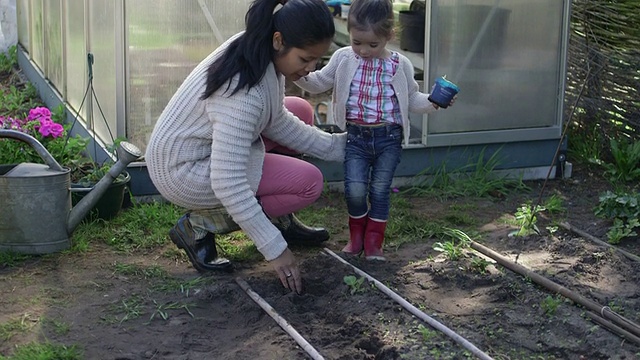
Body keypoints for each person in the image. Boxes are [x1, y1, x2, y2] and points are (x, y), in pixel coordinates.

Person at [145, 0, 346, 294]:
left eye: (317, 60)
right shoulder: (242, 92)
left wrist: (339, 147)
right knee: (308, 184)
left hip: (209, 149)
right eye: (305, 59)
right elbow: (228, 181)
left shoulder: (259, 47)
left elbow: (276, 121)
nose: (310, 69)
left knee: (300, 109)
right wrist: (274, 248)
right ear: (279, 41)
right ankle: (201, 224)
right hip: (186, 171)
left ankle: (281, 217)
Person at [295, 0, 454, 261]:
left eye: (372, 44)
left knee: (380, 190)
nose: (363, 50)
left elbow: (412, 99)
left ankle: (373, 242)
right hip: (356, 136)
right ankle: (356, 236)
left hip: (388, 138)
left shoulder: (399, 65)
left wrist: (435, 102)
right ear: (350, 32)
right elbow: (320, 82)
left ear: (388, 37)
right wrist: (298, 72)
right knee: (355, 189)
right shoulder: (343, 58)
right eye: (357, 42)